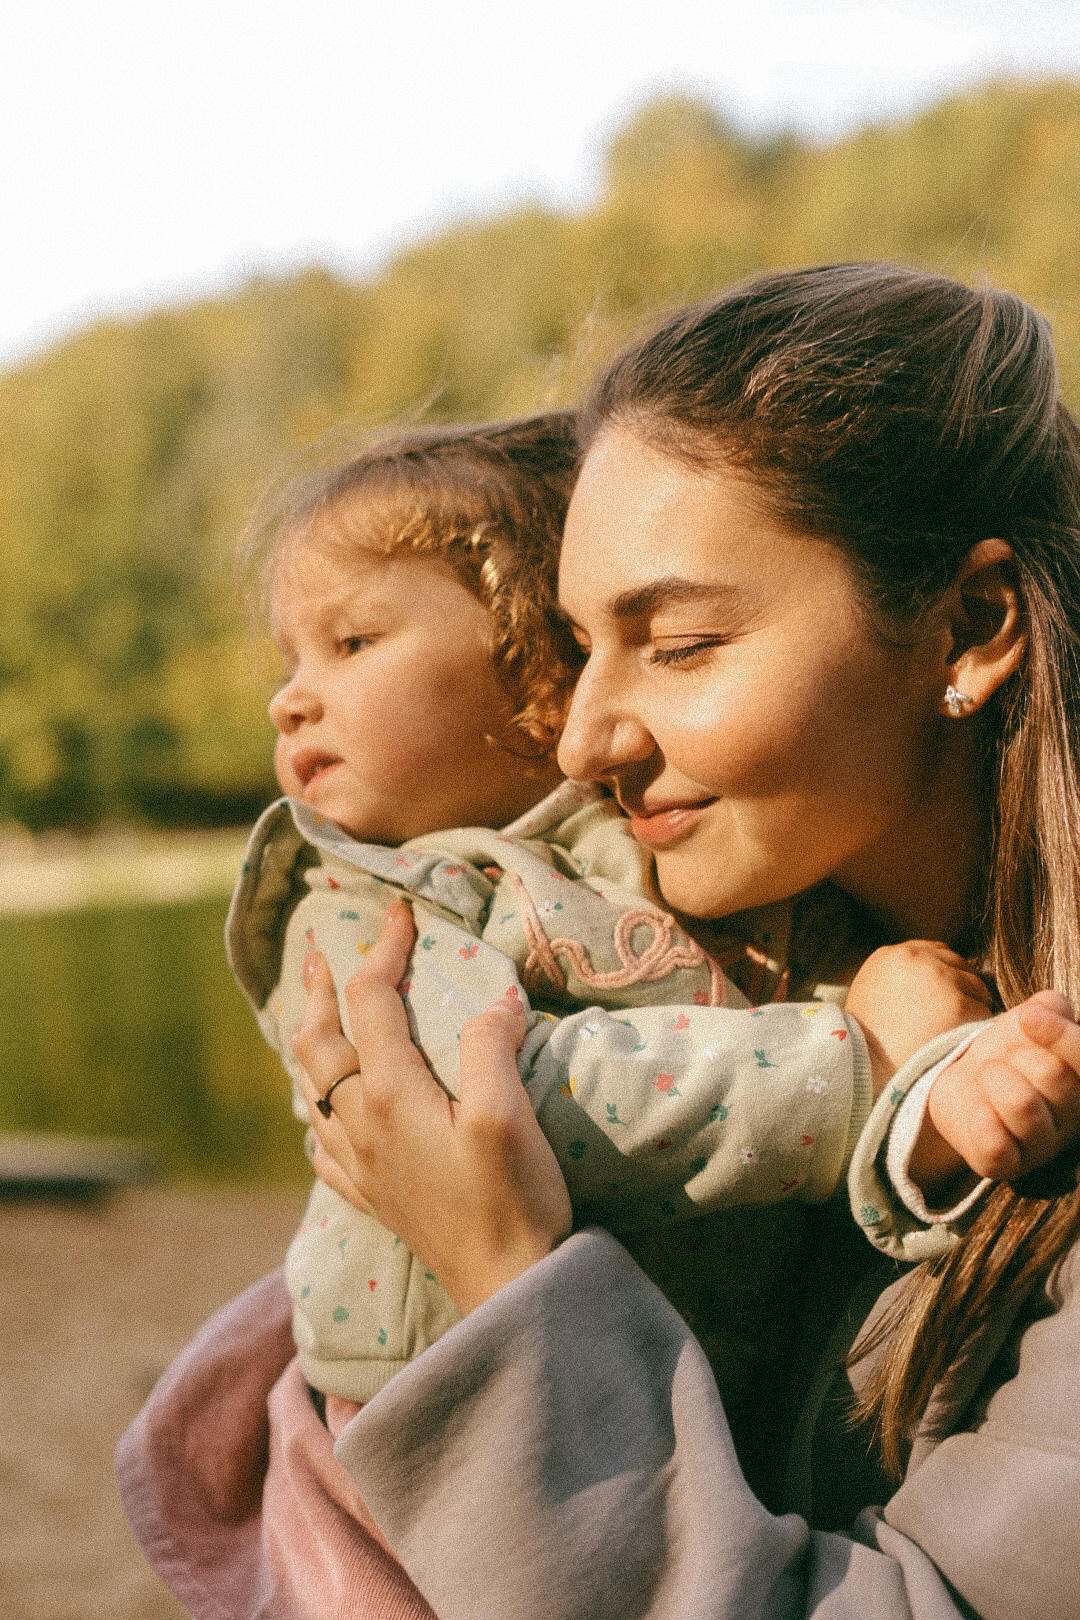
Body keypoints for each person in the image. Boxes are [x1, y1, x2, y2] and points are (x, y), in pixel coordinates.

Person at [288, 265, 1080, 1620]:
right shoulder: (739, 995)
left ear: (970, 625)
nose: (588, 739)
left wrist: (506, 1291)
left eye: (684, 643)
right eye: (580, 644)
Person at [228, 411, 986, 1442]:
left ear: (536, 659)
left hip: (666, 1392)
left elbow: (747, 988)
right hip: (447, 1414)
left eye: (352, 642)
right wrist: (869, 1062)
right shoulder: (355, 907)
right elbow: (503, 1105)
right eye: (289, 662)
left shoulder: (654, 843)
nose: (290, 702)